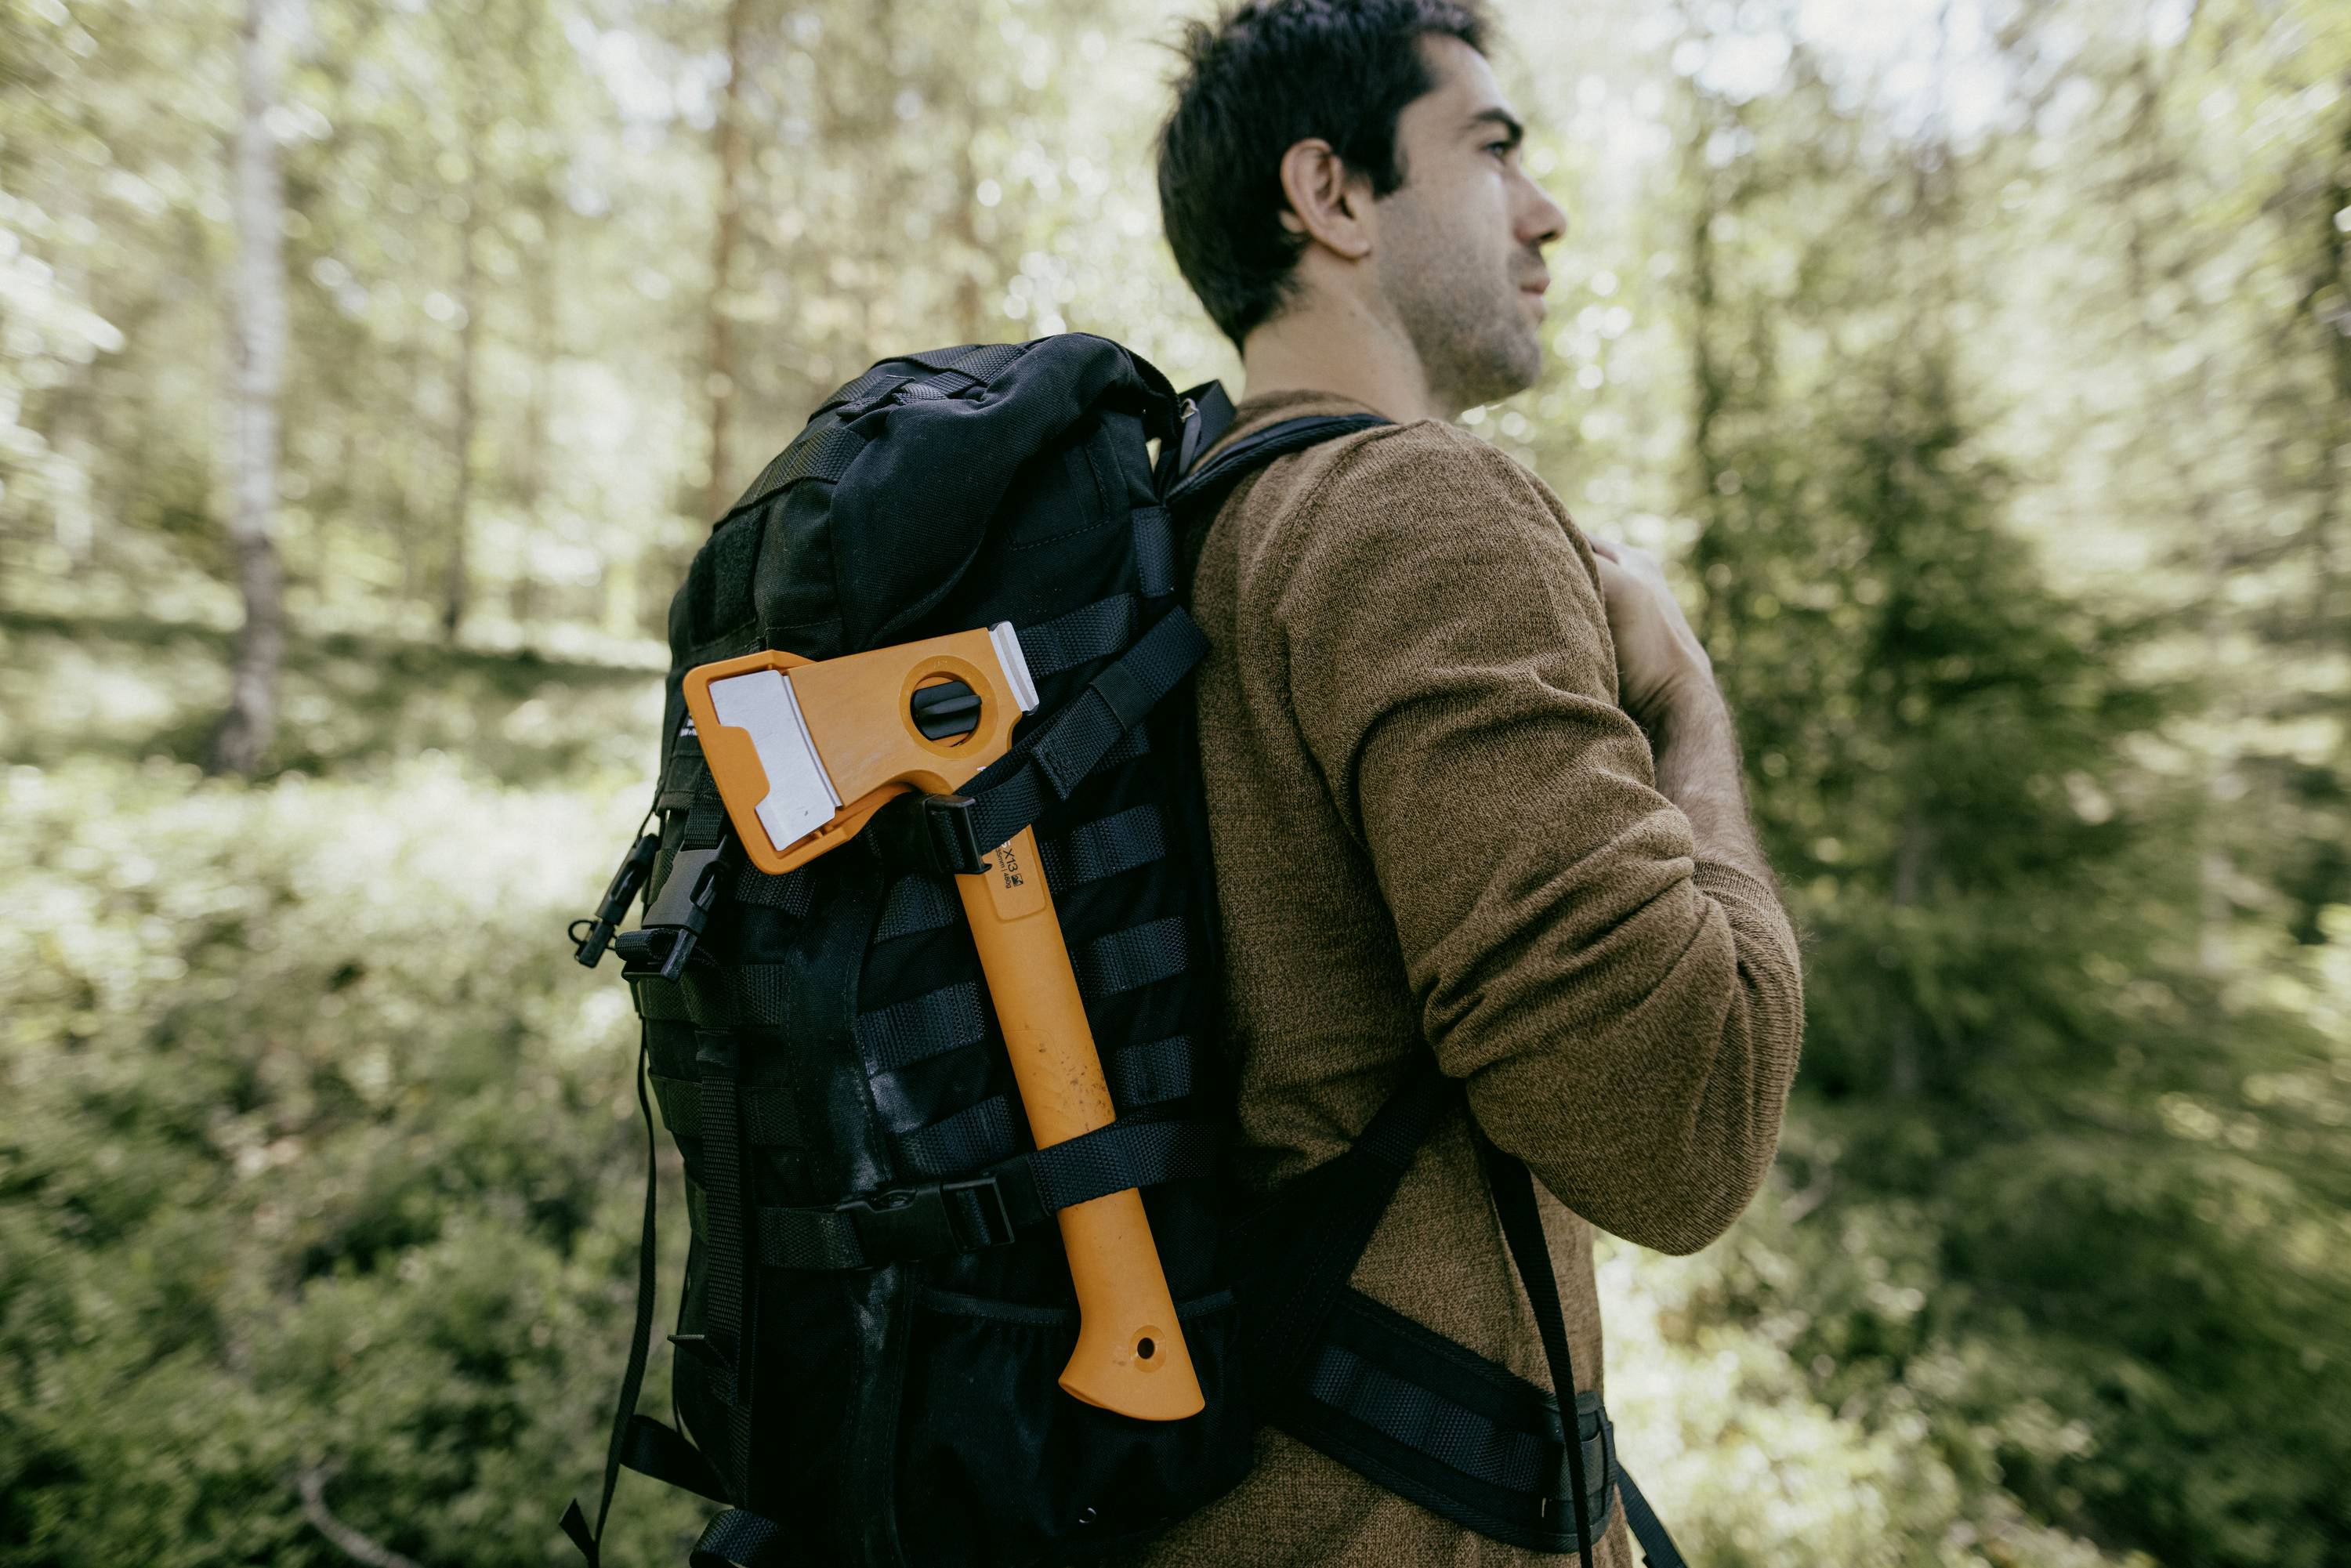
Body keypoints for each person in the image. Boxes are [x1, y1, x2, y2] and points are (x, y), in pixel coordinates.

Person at [1136, 2, 1806, 1563]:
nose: (1544, 207)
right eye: (1492, 150)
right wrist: (1687, 701)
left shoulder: (1181, 535)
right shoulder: (1423, 511)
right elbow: (1685, 1122)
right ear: (1333, 195)